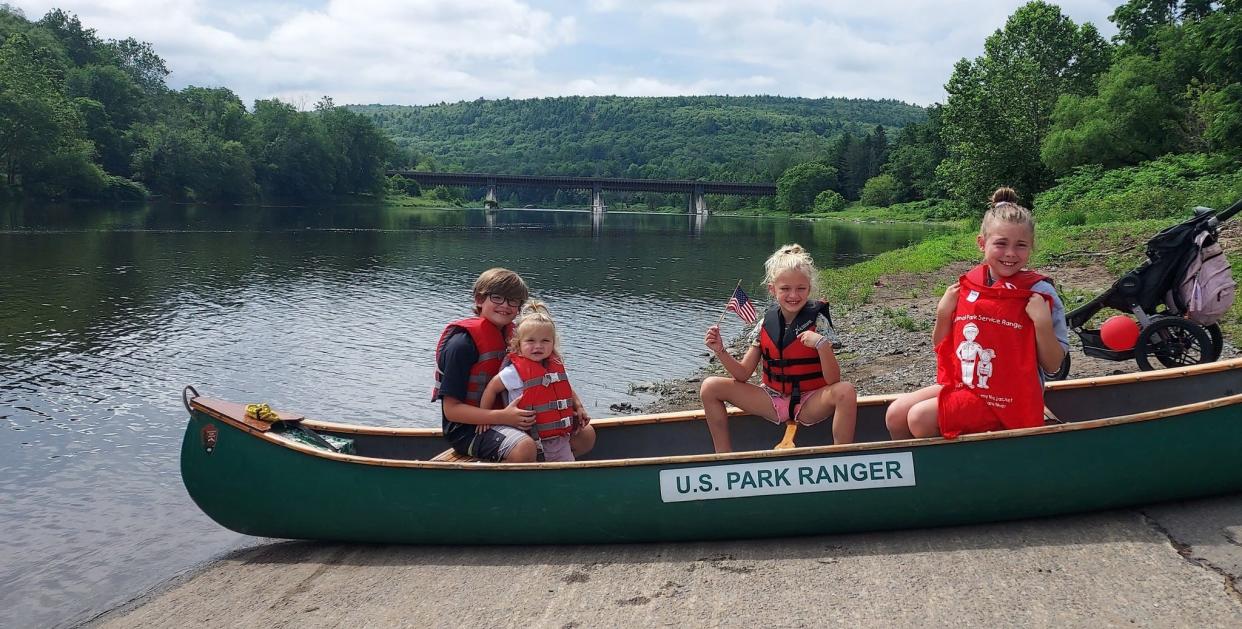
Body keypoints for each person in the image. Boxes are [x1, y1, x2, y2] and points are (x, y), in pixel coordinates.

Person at [885, 188, 1069, 440]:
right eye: (1001, 243)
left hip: (1011, 398)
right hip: (970, 386)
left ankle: (956, 476)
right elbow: (941, 345)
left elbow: (1053, 364)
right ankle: (919, 475)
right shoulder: (970, 285)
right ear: (982, 243)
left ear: (1031, 247)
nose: (1010, 253)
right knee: (895, 413)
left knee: (920, 417)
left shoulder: (1040, 293)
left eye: (1021, 245)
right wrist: (942, 312)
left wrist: (1042, 323)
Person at [699, 244, 858, 453]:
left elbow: (833, 381)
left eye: (801, 288)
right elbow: (743, 374)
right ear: (772, 289)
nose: (793, 295)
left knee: (846, 391)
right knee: (710, 386)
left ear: (809, 288)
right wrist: (720, 350)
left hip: (810, 402)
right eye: (785, 289)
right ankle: (723, 457)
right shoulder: (766, 323)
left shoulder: (818, 322)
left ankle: (842, 458)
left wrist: (821, 345)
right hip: (772, 400)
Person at [432, 268, 594, 462]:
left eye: (513, 300)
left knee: (586, 435)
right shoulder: (461, 345)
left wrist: (577, 404)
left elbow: (552, 375)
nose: (506, 306)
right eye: (497, 298)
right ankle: (516, 478)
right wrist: (502, 417)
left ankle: (540, 468)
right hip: (468, 429)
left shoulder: (523, 338)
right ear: (479, 300)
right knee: (524, 448)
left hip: (516, 418)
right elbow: (451, 411)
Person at [479, 301, 593, 462]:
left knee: (564, 469)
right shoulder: (514, 372)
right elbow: (491, 389)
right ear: (519, 344)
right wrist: (485, 416)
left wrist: (579, 407)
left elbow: (567, 389)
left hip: (556, 437)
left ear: (553, 343)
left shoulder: (556, 367)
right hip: (526, 435)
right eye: (530, 341)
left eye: (545, 341)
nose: (538, 346)